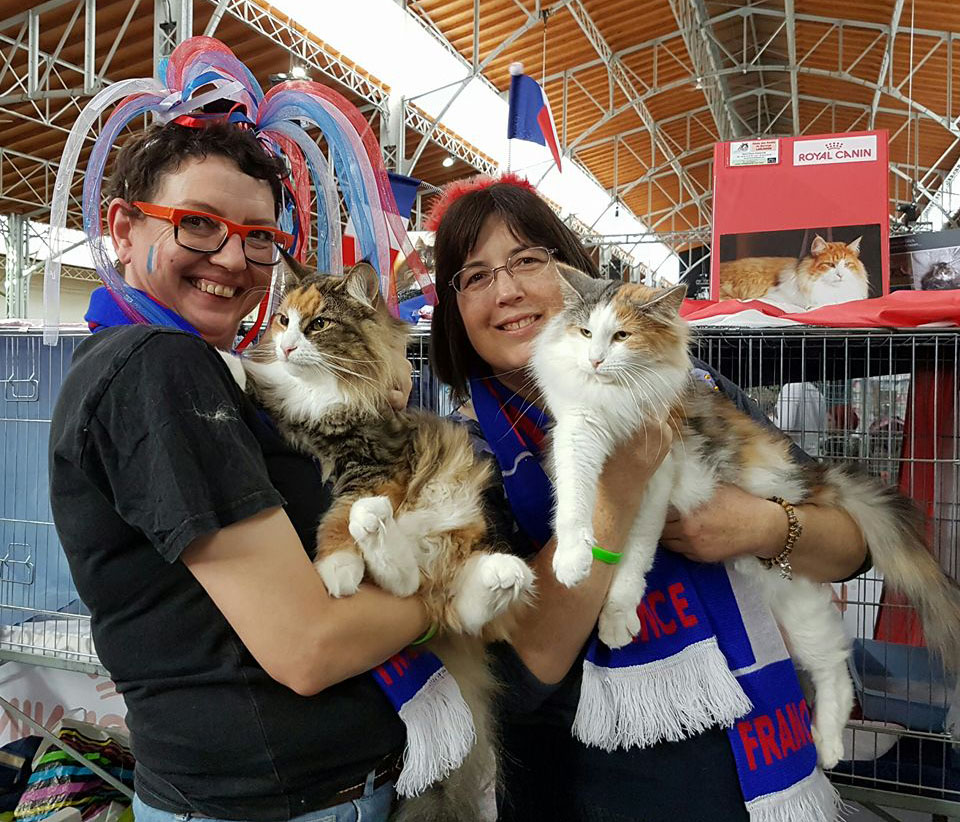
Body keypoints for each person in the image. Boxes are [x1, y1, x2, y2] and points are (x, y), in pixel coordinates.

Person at [428, 175, 871, 822]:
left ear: (573, 275)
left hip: (756, 774)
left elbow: (853, 547)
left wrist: (764, 528)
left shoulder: (691, 387)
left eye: (526, 260)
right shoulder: (459, 458)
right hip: (583, 795)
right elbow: (514, 677)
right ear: (455, 309)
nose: (507, 290)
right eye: (475, 276)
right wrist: (622, 487)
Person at [48, 120, 427, 822]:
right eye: (197, 223)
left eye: (257, 236)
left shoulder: (191, 366)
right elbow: (307, 648)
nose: (231, 258)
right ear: (123, 229)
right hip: (277, 804)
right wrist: (450, 594)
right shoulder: (158, 367)